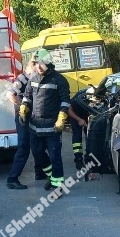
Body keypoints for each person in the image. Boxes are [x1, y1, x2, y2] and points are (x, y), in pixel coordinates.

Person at [20, 48, 71, 192]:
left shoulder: (59, 80)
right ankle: (51, 176)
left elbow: (65, 101)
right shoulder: (33, 78)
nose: (38, 67)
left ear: (48, 64)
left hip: (52, 126)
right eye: (36, 64)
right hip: (35, 126)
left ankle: (58, 185)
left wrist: (61, 118)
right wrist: (24, 107)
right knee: (37, 154)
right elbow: (27, 95)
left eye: (40, 64)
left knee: (55, 156)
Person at [5, 57, 41, 189]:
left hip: (31, 117)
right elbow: (10, 94)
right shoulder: (23, 78)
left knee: (37, 145)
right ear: (32, 67)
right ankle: (12, 179)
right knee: (24, 148)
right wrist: (22, 106)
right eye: (37, 68)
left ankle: (39, 172)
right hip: (23, 118)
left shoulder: (33, 78)